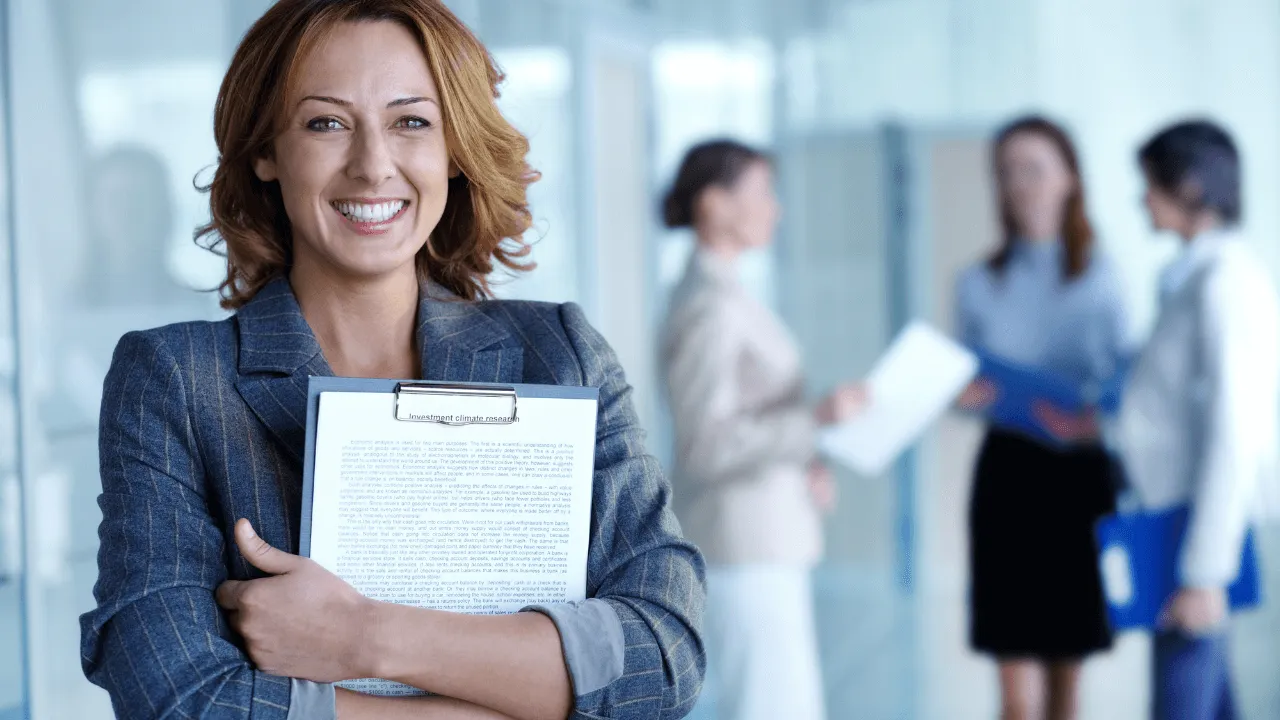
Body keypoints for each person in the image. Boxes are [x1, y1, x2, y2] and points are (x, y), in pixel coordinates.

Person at [78, 2, 705, 719]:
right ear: (266, 151)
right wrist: (516, 694)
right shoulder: (177, 379)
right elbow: (176, 695)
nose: (373, 165)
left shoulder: (559, 356)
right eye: (326, 123)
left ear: (454, 150)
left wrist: (363, 637)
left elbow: (664, 655)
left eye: (411, 121)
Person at [1051, 120, 1279, 720]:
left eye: (1149, 184)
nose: (1141, 199)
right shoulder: (1191, 278)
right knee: (1207, 698)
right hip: (1169, 519)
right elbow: (1168, 409)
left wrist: (1205, 573)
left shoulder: (1225, 284)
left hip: (1194, 534)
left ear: (1192, 186)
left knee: (1182, 697)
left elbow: (1236, 431)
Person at [658, 139, 865, 720]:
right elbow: (706, 443)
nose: (775, 209)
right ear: (715, 204)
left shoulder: (728, 292)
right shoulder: (708, 306)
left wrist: (807, 456)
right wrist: (816, 419)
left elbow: (755, 420)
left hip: (767, 535)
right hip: (742, 543)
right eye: (763, 193)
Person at [953, 116, 1128, 720]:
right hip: (1008, 476)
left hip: (1078, 477)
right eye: (1006, 172)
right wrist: (967, 396)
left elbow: (1129, 389)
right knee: (1015, 694)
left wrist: (1095, 419)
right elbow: (964, 384)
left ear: (1070, 179)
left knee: (1067, 679)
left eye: (1034, 169)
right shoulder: (977, 282)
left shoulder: (1106, 280)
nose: (1019, 184)